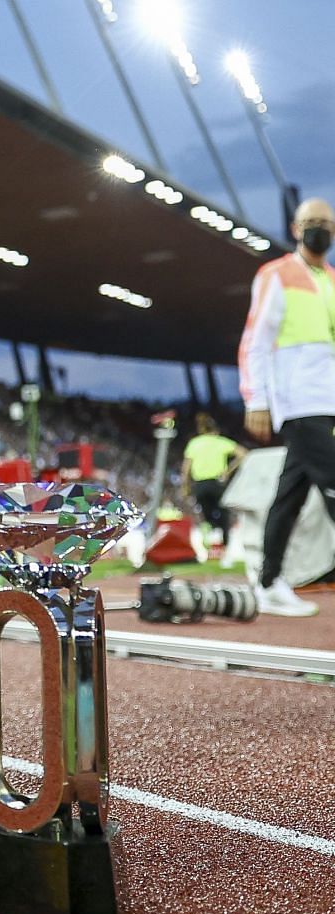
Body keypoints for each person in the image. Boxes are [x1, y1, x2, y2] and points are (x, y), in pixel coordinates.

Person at [239, 196, 335, 618]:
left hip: (327, 399)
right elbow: (255, 342)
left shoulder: (331, 279)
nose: (319, 228)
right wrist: (256, 399)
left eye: (325, 222)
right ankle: (268, 582)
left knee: (291, 494)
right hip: (297, 401)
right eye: (311, 221)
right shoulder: (276, 274)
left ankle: (268, 582)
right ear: (296, 229)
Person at [179, 412, 245, 549]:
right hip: (218, 483)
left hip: (200, 485)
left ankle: (208, 528)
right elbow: (243, 454)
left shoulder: (194, 443)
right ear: (216, 430)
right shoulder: (221, 441)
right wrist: (229, 470)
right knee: (224, 512)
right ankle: (225, 544)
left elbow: (186, 468)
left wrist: (185, 486)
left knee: (207, 512)